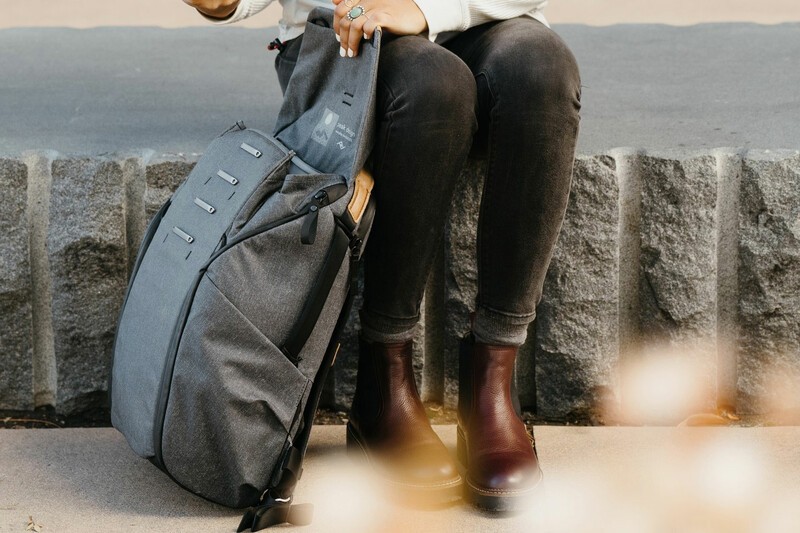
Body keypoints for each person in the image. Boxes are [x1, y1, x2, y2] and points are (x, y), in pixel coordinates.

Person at [183, 0, 581, 512]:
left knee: (542, 72)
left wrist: (426, 8)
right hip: (351, 40)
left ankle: (492, 383)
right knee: (433, 86)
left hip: (487, 21)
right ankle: (382, 381)